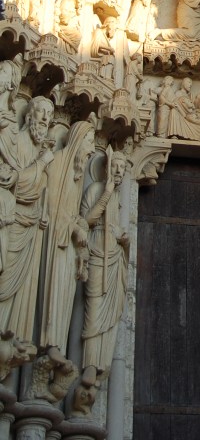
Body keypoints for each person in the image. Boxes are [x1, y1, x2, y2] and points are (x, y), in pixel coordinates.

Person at [0, 95, 54, 341]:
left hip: (31, 226)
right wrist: (42, 163)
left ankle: (10, 336)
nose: (45, 119)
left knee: (20, 291)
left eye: (49, 116)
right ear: (28, 115)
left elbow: (41, 190)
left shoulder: (40, 148)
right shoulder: (18, 143)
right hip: (13, 222)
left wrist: (43, 211)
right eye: (41, 112)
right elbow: (16, 184)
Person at [40, 120, 95, 359]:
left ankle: (58, 346)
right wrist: (74, 226)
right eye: (91, 142)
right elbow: (50, 207)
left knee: (65, 296)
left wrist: (79, 224)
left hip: (68, 246)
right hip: (54, 244)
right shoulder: (58, 163)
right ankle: (48, 347)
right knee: (55, 289)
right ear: (78, 140)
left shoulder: (76, 173)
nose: (93, 149)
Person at [81, 150, 130, 376]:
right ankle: (89, 366)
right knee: (93, 310)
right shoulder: (95, 189)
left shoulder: (119, 197)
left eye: (123, 167)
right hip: (96, 252)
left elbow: (117, 230)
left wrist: (124, 240)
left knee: (109, 312)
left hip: (113, 255)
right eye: (115, 166)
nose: (119, 171)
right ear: (105, 168)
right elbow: (85, 221)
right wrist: (106, 193)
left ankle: (101, 366)